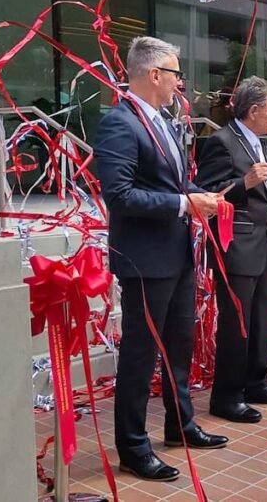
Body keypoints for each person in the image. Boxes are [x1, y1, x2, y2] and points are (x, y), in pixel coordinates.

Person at [95, 36, 228, 482]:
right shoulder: (120, 122)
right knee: (140, 352)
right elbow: (119, 194)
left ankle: (180, 425)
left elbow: (173, 182)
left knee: (179, 346)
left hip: (175, 253)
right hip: (144, 259)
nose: (179, 84)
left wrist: (195, 195)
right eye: (175, 74)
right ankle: (133, 446)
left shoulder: (162, 122)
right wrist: (182, 205)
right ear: (154, 75)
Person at [195, 76, 267, 424]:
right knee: (237, 325)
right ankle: (227, 394)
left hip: (261, 245)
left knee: (262, 318)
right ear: (253, 110)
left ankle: (256, 380)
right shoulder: (222, 142)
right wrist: (243, 183)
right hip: (234, 248)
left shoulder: (257, 142)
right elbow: (205, 193)